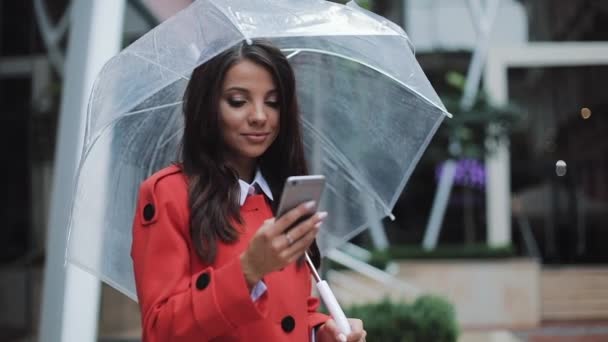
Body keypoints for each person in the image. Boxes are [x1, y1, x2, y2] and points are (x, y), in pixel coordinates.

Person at [130, 39, 366, 342]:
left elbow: (293, 314)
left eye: (273, 102)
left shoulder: (284, 193)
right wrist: (247, 271)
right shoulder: (169, 194)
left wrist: (322, 332)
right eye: (238, 101)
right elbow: (160, 330)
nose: (259, 116)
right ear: (208, 106)